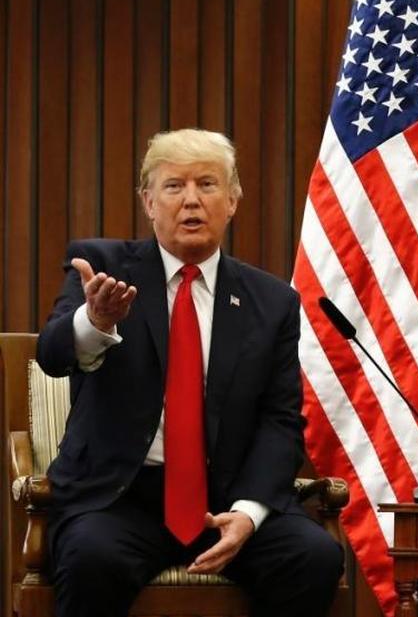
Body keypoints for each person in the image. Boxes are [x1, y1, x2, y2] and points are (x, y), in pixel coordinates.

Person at [36, 128, 344, 617]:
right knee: (90, 558)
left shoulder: (272, 301)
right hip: (121, 500)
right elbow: (53, 356)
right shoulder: (103, 268)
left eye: (208, 184)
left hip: (227, 498)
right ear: (149, 202)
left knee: (314, 557)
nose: (192, 201)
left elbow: (280, 421)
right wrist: (94, 322)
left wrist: (247, 514)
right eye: (174, 186)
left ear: (233, 201)